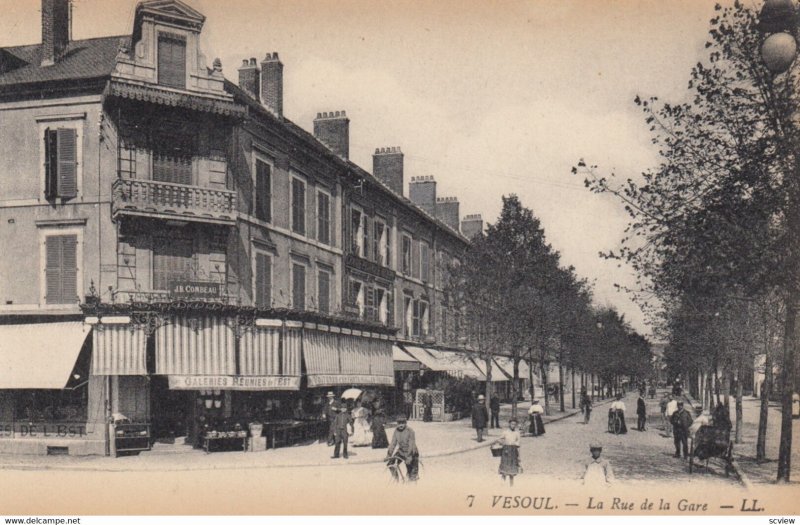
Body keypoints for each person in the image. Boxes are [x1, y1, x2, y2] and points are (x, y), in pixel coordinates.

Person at [387, 415, 419, 481]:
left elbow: (411, 445)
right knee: (390, 464)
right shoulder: (396, 431)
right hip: (401, 452)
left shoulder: (410, 431)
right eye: (399, 423)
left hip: (411, 453)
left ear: (405, 423)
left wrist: (409, 457)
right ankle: (396, 480)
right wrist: (389, 454)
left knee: (411, 473)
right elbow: (393, 443)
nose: (401, 425)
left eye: (403, 423)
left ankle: (412, 478)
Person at [493, 417, 522, 486]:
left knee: (512, 469)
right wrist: (502, 443)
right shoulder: (505, 432)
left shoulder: (517, 433)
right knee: (505, 468)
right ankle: (502, 485)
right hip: (506, 451)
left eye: (514, 424)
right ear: (509, 424)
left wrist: (519, 455)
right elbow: (499, 439)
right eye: (512, 424)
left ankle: (511, 485)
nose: (513, 426)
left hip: (513, 451)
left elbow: (518, 443)